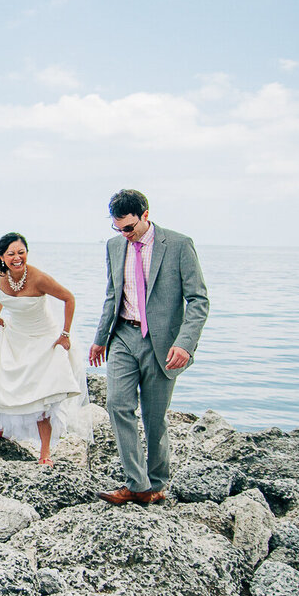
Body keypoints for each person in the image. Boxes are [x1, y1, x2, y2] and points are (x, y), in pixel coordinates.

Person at [89, 189, 209, 505]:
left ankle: (155, 484)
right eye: (118, 229)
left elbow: (198, 300)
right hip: (124, 338)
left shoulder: (179, 245)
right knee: (117, 404)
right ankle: (136, 484)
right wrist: (100, 338)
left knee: (155, 418)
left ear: (145, 214)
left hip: (163, 344)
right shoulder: (115, 247)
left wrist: (185, 343)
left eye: (129, 228)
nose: (124, 235)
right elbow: (112, 295)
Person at [0, 232, 92, 465]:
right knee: (4, 383)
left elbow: (69, 298)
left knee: (40, 397)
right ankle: (3, 428)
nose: (17, 258)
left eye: (21, 252)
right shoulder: (0, 274)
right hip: (15, 335)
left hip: (42, 339)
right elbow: (1, 292)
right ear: (2, 257)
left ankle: (45, 453)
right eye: (11, 254)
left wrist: (65, 335)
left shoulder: (38, 278)